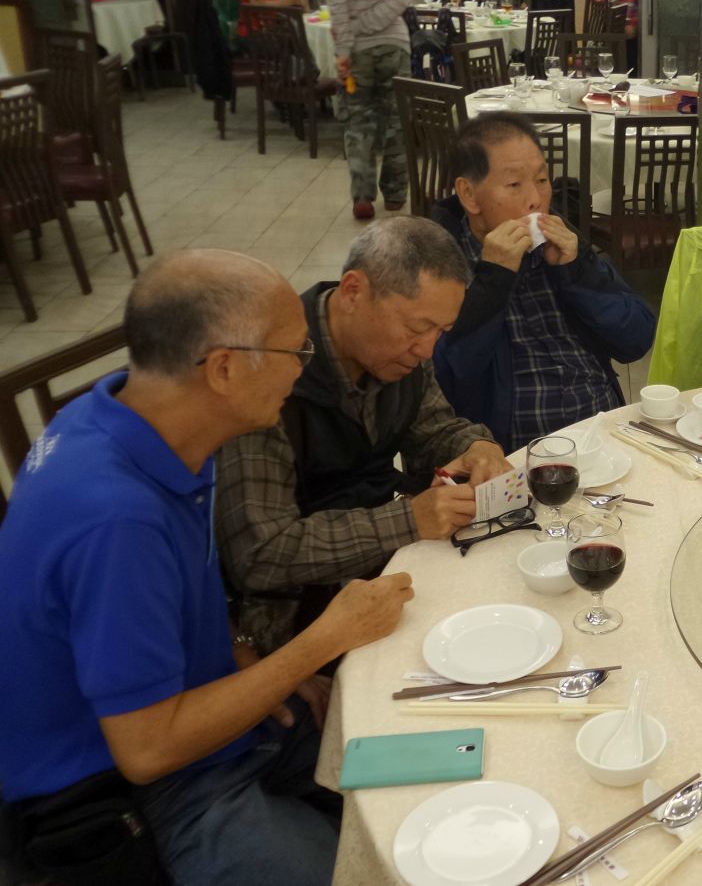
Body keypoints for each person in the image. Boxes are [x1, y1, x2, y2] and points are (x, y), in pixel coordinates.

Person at [0, 250, 415, 885]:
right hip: (132, 784)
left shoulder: (131, 421)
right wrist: (317, 644)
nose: (304, 369)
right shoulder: (115, 518)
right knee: (369, 871)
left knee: (422, 751)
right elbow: (147, 752)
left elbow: (169, 586)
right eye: (296, 352)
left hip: (209, 707)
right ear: (223, 368)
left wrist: (245, 652)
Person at [217, 217, 510, 653]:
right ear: (353, 290)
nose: (427, 349)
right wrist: (407, 520)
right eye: (417, 328)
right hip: (296, 619)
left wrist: (476, 447)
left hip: (383, 572)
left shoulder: (397, 354)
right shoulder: (272, 376)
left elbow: (433, 428)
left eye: (441, 332)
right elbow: (262, 553)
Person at [430, 112, 655, 450]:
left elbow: (636, 339)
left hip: (602, 436)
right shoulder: (440, 263)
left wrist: (577, 271)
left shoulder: (564, 245)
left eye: (542, 179)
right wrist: (493, 281)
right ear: (469, 195)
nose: (535, 198)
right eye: (514, 185)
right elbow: (446, 381)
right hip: (515, 453)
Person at [326, 0, 411, 220]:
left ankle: (362, 195)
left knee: (358, 122)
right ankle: (395, 194)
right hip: (395, 44)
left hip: (357, 50)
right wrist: (365, 25)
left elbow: (338, 8)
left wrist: (345, 46)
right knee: (398, 122)